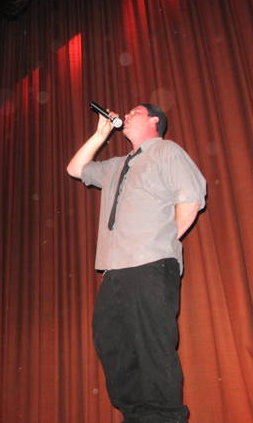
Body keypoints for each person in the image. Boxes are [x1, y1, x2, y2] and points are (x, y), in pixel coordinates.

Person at [67, 104, 206, 422]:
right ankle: (137, 416)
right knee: (111, 341)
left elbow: (190, 200)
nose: (127, 115)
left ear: (155, 120)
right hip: (115, 271)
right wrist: (99, 134)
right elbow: (75, 169)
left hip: (151, 263)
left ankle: (164, 417)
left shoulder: (166, 151)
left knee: (152, 345)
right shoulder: (116, 165)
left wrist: (160, 240)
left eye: (136, 112)